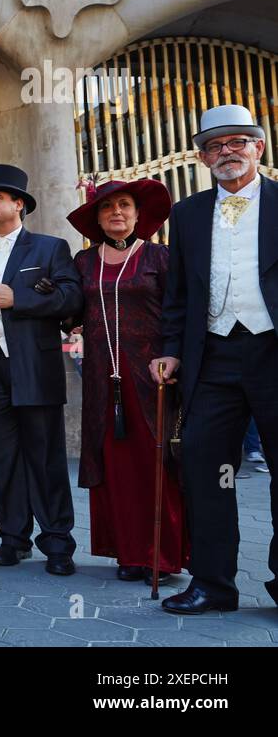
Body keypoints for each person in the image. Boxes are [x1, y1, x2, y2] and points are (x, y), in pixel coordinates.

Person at [154, 105, 278, 614]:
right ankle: (213, 584)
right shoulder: (186, 213)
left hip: (273, 351)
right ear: (202, 157)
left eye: (236, 142)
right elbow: (178, 292)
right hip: (212, 357)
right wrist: (168, 348)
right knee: (206, 469)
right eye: (213, 146)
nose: (225, 152)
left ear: (258, 147)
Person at [0, 165, 83, 575]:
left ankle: (57, 542)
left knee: (45, 458)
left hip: (35, 367)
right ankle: (12, 537)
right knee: (3, 458)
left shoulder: (50, 248)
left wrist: (19, 298)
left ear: (18, 204)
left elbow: (72, 298)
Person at [67, 179, 187, 584]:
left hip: (152, 376)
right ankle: (129, 554)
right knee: (115, 466)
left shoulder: (159, 257)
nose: (116, 212)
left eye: (124, 205)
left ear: (138, 215)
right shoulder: (84, 264)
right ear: (97, 219)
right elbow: (68, 310)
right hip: (101, 378)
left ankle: (164, 555)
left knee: (155, 463)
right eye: (106, 208)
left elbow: (178, 313)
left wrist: (172, 359)